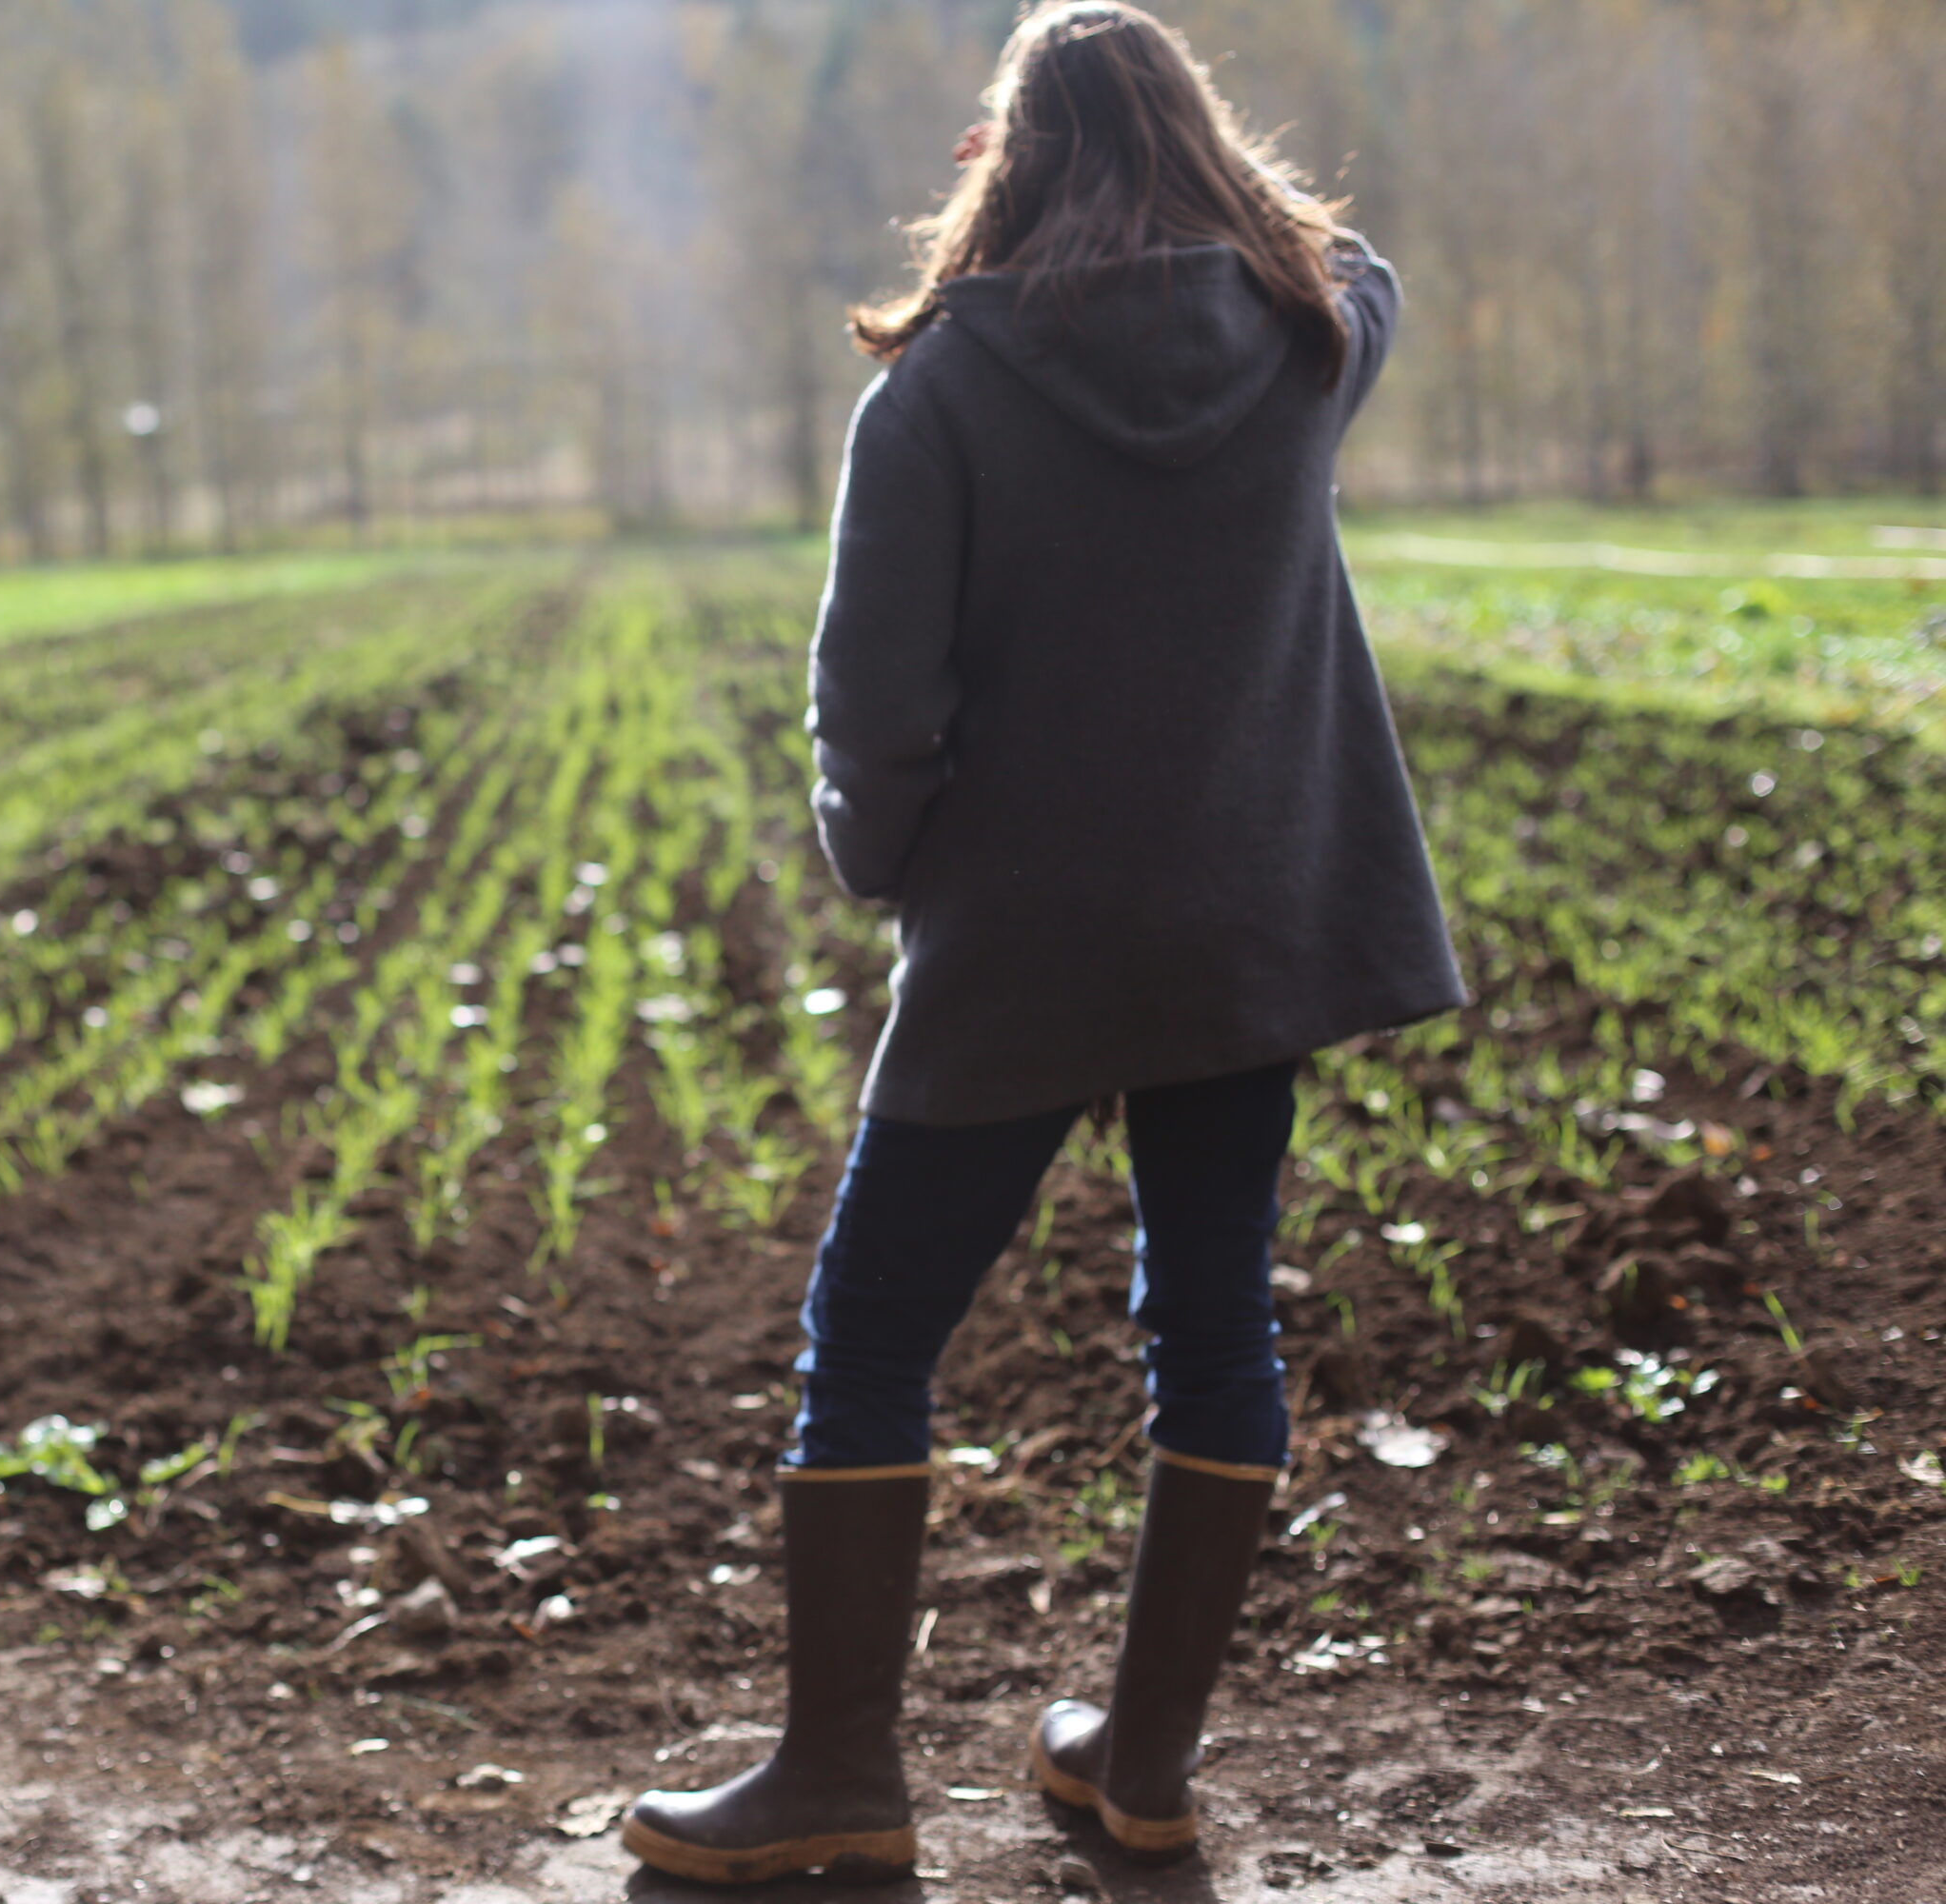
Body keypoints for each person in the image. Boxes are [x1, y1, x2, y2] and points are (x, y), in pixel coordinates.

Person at [623, 2, 1461, 1883]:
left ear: (1005, 162)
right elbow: (1364, 258)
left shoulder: (935, 390)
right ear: (1199, 149)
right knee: (1215, 1311)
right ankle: (1142, 1766)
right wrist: (1238, 204)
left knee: (874, 1329)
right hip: (1248, 931)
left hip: (1017, 938)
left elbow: (874, 699)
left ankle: (840, 1774)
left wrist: (880, 856)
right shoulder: (1314, 334)